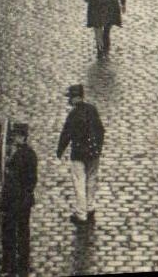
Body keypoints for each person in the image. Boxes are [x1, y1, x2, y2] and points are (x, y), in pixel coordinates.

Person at [56, 83, 105, 227]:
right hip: (94, 153)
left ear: (74, 98)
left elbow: (66, 134)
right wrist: (98, 148)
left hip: (78, 154)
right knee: (91, 180)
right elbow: (101, 130)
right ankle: (90, 207)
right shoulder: (92, 109)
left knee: (79, 183)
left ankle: (81, 214)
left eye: (70, 98)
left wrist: (60, 150)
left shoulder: (73, 114)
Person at [0, 123, 37, 276]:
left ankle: (10, 265)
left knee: (10, 231)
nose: (16, 138)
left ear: (23, 137)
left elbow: (14, 181)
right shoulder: (30, 154)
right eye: (15, 135)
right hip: (24, 198)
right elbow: (33, 179)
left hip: (15, 199)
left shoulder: (19, 156)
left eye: (18, 135)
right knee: (22, 230)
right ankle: (22, 261)